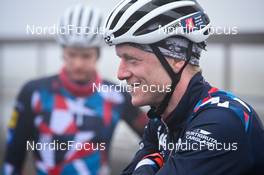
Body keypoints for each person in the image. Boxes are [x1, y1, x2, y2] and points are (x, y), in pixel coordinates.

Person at [103, 0, 264, 174]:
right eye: (121, 59)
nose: (121, 74)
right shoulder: (160, 122)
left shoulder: (222, 122)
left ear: (177, 59)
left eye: (132, 60)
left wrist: (150, 163)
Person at [3, 4, 147, 175]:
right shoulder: (33, 93)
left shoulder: (117, 96)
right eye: (72, 54)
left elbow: (153, 137)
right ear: (63, 53)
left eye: (86, 55)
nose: (78, 63)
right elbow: (13, 157)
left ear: (97, 54)